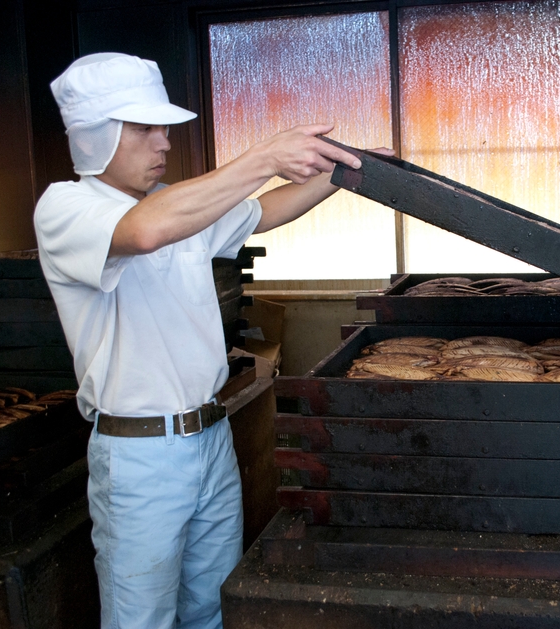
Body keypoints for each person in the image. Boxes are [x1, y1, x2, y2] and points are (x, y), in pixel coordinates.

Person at [34, 52, 377, 629]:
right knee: (140, 617)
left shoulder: (173, 203)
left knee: (209, 608)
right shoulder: (68, 208)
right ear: (95, 137)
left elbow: (261, 212)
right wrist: (264, 155)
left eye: (162, 127)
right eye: (144, 128)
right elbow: (145, 233)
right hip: (141, 456)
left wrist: (342, 175)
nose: (163, 141)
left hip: (209, 439)